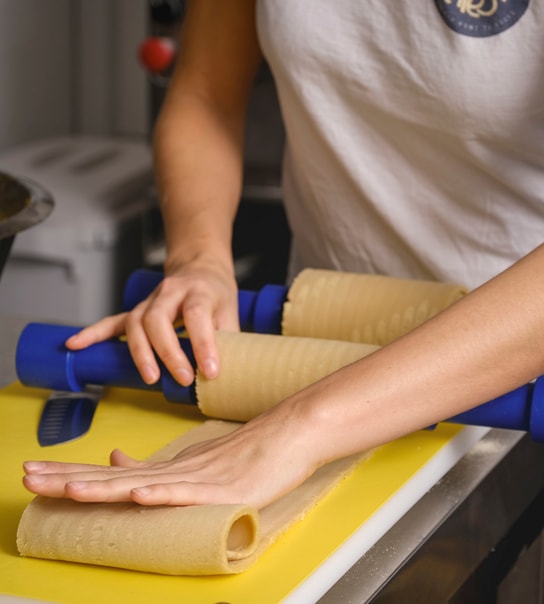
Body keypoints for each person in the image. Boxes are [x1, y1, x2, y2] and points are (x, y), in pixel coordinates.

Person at [23, 1, 544, 510]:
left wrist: (302, 426)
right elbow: (206, 94)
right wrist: (199, 258)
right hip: (315, 337)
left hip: (514, 364)